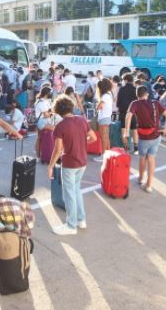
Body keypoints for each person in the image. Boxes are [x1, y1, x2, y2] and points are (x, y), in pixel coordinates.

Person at [47, 95, 96, 235]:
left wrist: (50, 166)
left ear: (57, 110)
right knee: (76, 190)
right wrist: (81, 143)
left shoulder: (60, 126)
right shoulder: (82, 120)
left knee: (69, 194)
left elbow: (57, 150)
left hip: (69, 162)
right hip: (82, 161)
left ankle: (71, 225)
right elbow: (93, 137)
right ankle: (81, 220)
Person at [125, 86, 166, 193]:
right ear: (147, 94)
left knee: (143, 157)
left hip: (144, 137)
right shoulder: (155, 103)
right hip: (156, 136)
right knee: (151, 158)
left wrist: (126, 132)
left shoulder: (135, 103)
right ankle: (149, 185)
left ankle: (141, 178)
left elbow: (128, 116)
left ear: (137, 95)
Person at [116, 73, 139, 154]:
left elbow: (118, 102)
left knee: (124, 129)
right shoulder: (135, 89)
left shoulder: (121, 89)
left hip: (123, 112)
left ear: (125, 80)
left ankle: (126, 148)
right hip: (134, 113)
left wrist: (119, 107)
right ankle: (136, 149)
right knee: (134, 130)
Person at [94, 78, 114, 162]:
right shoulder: (109, 94)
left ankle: (103, 156)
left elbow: (99, 107)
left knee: (103, 138)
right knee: (106, 138)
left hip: (103, 118)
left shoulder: (104, 96)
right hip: (107, 117)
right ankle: (108, 154)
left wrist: (96, 106)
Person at [34, 87, 53, 157]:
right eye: (50, 93)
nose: (51, 94)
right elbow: (47, 115)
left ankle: (39, 155)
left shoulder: (45, 101)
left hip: (42, 121)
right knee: (56, 129)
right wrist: (51, 113)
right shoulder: (41, 103)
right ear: (46, 94)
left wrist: (50, 112)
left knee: (39, 138)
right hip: (42, 122)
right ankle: (39, 154)